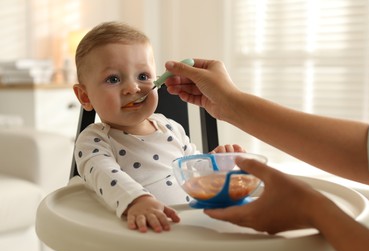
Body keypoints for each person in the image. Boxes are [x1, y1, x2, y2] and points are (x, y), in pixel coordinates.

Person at [163, 59, 369, 251]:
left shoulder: (171, 131)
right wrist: (231, 104)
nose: (133, 88)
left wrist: (313, 209)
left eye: (143, 76)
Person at [72, 23, 243, 233]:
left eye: (143, 76)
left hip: (192, 228)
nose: (133, 88)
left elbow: (192, 170)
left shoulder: (169, 127)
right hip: (143, 237)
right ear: (85, 96)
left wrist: (215, 164)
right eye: (113, 79)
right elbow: (105, 175)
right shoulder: (94, 140)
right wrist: (137, 201)